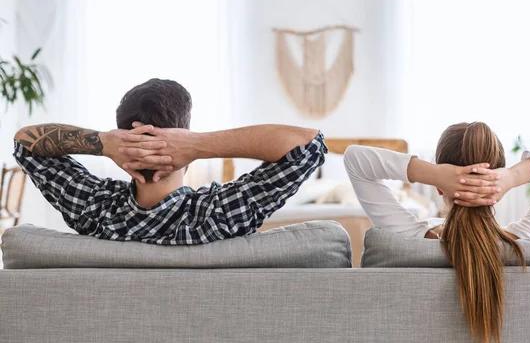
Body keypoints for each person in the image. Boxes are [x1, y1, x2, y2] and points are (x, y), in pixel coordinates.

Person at [343, 122, 530, 343]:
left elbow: (355, 159)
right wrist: (510, 177)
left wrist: (434, 173)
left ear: (437, 188)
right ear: (497, 186)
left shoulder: (406, 240)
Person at [13, 78, 326, 244]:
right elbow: (310, 145)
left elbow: (25, 143)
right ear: (184, 137)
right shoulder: (217, 216)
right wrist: (200, 145)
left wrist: (104, 143)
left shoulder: (94, 211)